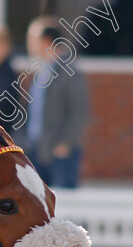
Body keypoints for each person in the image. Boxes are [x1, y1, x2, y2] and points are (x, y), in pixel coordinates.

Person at [20, 16, 88, 188]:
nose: (29, 44)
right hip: (37, 150)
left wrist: (66, 143)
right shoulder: (40, 71)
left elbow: (79, 111)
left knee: (63, 206)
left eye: (32, 39)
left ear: (46, 41)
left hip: (59, 153)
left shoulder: (69, 72)